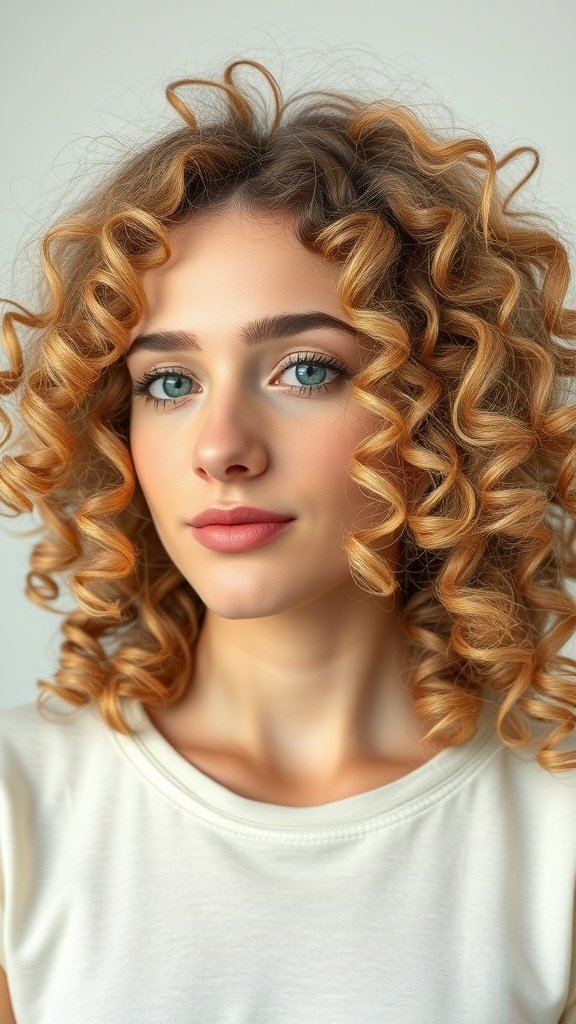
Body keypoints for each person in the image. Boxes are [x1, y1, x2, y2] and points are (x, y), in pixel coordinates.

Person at [0, 56, 575, 1023]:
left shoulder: (554, 834)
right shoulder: (20, 818)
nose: (222, 448)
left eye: (305, 370)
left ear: (438, 406)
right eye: (170, 383)